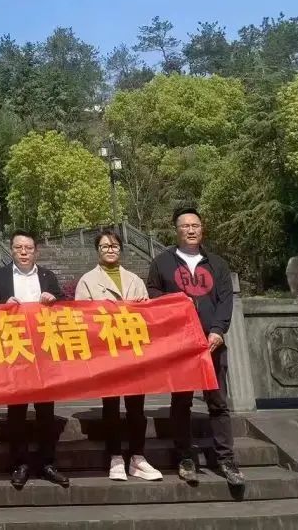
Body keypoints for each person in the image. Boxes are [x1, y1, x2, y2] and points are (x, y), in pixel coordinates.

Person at [146, 206, 243, 486]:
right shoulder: (162, 262)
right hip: (180, 344)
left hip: (211, 344)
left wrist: (218, 330)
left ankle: (226, 460)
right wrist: (173, 302)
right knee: (181, 402)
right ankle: (185, 456)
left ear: (202, 229)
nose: (191, 230)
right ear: (176, 230)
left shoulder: (217, 264)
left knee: (217, 402)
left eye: (195, 225)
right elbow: (153, 292)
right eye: (185, 226)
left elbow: (226, 299)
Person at [0, 230, 69, 488]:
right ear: (11, 250)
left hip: (43, 351)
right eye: (19, 248)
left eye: (28, 248)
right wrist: (1, 304)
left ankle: (47, 463)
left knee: (46, 411)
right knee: (16, 412)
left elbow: (66, 306)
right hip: (14, 351)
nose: (24, 252)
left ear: (35, 251)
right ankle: (19, 463)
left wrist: (55, 299)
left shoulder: (47, 276)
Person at [74, 228, 161, 482]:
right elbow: (81, 318)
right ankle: (114, 456)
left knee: (136, 407)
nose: (110, 250)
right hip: (106, 353)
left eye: (114, 246)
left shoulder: (134, 279)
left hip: (133, 351)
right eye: (104, 246)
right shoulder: (87, 281)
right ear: (97, 251)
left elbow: (148, 316)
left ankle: (138, 456)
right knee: (110, 406)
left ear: (120, 249)